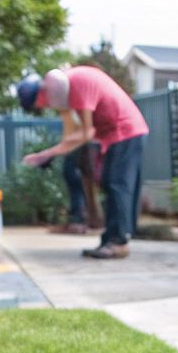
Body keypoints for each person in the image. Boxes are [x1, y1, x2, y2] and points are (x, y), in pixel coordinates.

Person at [17, 66, 147, 258]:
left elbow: (87, 133)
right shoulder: (65, 88)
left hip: (126, 130)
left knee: (117, 184)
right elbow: (76, 134)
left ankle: (119, 242)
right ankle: (110, 238)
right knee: (109, 182)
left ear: (42, 94)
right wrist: (49, 153)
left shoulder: (76, 85)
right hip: (113, 135)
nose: (44, 107)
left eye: (39, 104)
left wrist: (47, 153)